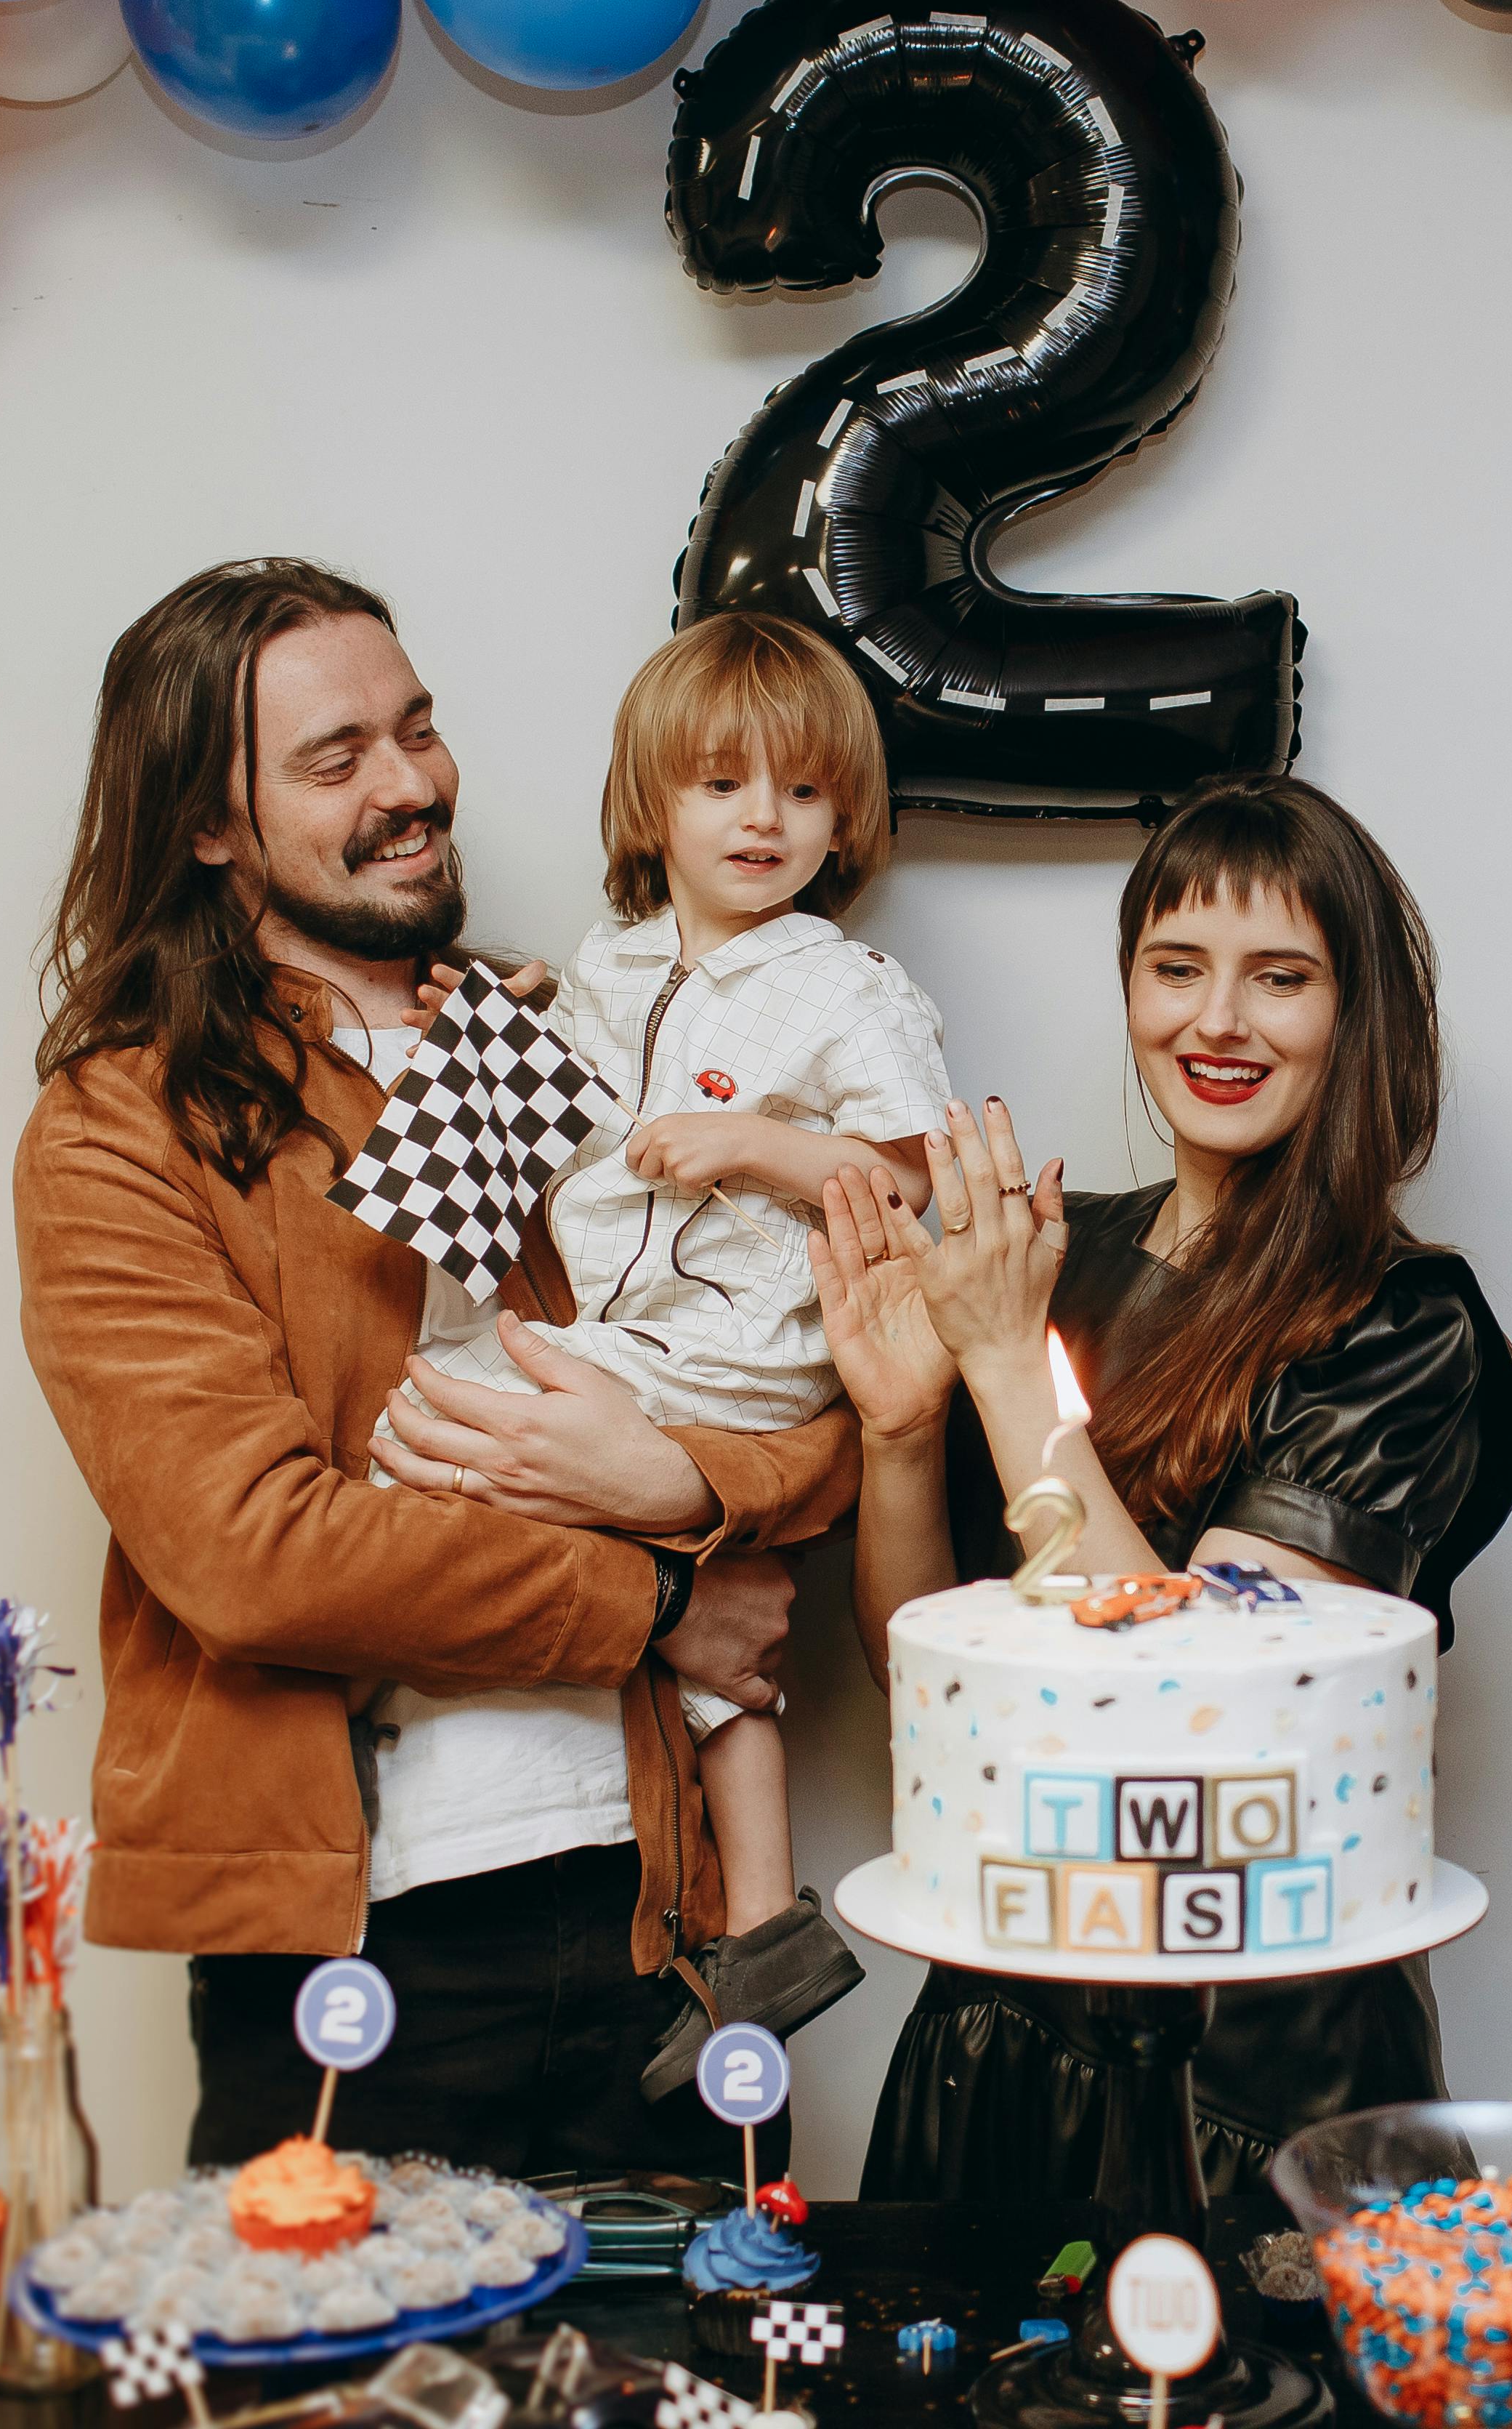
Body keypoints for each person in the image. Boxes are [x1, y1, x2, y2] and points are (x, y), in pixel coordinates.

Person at [13, 557, 859, 2178]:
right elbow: (249, 1553)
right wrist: (663, 1596)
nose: (411, 787)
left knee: (706, 2388)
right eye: (337, 760)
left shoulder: (585, 1038)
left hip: (655, 1921)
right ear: (209, 820)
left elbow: (805, 1386)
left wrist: (675, 1481)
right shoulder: (124, 1125)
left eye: (419, 729)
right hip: (350, 1953)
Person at [809, 772, 1512, 2198]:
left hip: (1256, 2078)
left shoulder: (1403, 1326)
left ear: (1356, 1014)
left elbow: (1202, 1722)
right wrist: (901, 1430)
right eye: (1176, 967)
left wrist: (1010, 1368)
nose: (1217, 1020)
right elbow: (937, 1682)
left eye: (1281, 977)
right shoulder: (1059, 1255)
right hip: (1010, 2016)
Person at [373, 614, 947, 2095]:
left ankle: (745, 1906)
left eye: (805, 792)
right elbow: (563, 1105)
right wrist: (488, 1023)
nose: (766, 819)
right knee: (700, 1612)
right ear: (653, 805)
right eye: (721, 784)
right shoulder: (610, 962)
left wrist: (766, 1148)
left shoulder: (846, 987)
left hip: (746, 1342)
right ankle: (762, 1924)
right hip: (633, 1330)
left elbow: (915, 1180)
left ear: (847, 814)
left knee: (433, 1433)